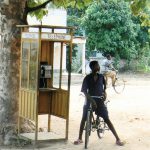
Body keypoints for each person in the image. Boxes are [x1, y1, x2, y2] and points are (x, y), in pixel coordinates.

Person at [74, 60, 125, 146]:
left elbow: (104, 89)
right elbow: (85, 92)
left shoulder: (101, 77)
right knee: (84, 118)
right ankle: (80, 138)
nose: (99, 67)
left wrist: (104, 94)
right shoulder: (87, 78)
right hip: (90, 100)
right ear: (93, 67)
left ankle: (117, 139)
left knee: (107, 119)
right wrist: (91, 100)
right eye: (97, 65)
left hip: (100, 100)